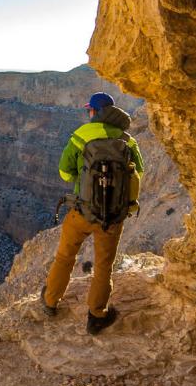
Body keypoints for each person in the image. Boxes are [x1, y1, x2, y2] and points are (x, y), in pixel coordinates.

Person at [40, 91, 145, 334]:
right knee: (104, 266)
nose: (88, 113)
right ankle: (97, 315)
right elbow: (138, 173)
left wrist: (85, 179)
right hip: (112, 218)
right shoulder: (128, 140)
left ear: (95, 112)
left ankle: (50, 301)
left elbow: (64, 173)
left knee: (65, 256)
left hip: (82, 212)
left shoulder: (81, 135)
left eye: (89, 110)